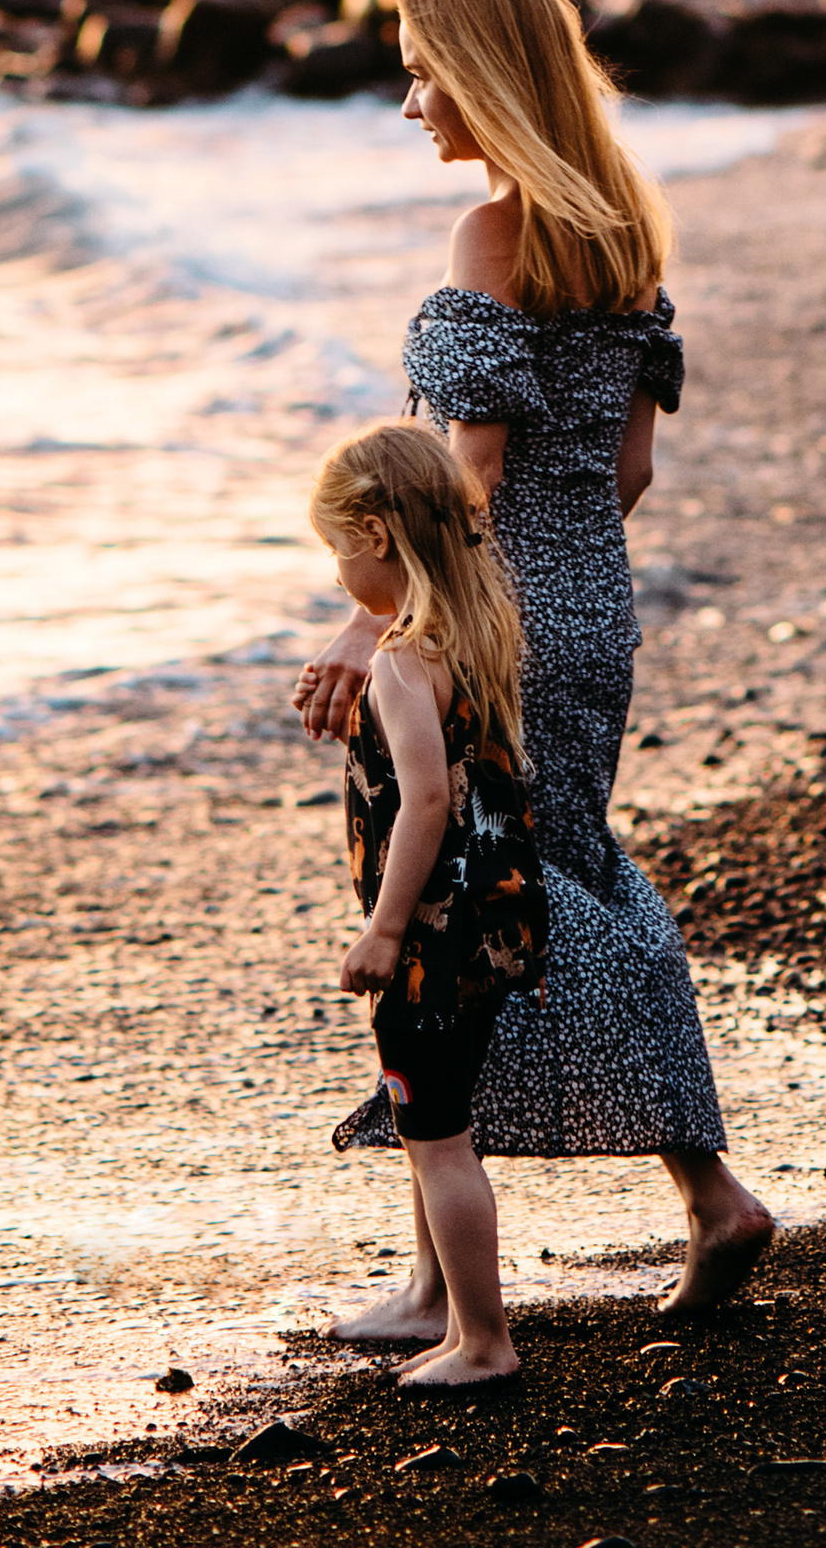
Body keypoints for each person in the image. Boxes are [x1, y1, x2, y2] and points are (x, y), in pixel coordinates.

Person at [297, 0, 773, 1332]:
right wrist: (556, 584)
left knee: (458, 905)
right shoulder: (622, 231)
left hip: (490, 618)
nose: (410, 107)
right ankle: (454, 1270)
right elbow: (627, 472)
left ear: (485, 72)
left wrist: (373, 619)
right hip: (590, 612)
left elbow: (469, 474)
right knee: (547, 879)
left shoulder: (492, 237)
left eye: (422, 76)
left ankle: (693, 1202)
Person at [308, 417, 549, 1390]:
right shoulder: (477, 631)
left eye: (338, 552)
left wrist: (384, 930)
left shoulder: (404, 661)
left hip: (433, 937)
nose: (337, 578)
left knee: (437, 1141)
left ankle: (484, 1342)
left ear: (376, 535)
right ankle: (442, 1311)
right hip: (494, 914)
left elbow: (426, 800)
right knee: (438, 1124)